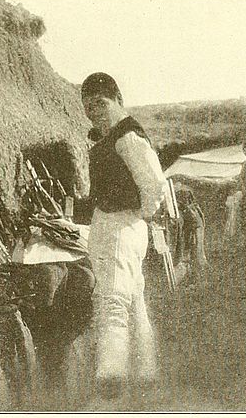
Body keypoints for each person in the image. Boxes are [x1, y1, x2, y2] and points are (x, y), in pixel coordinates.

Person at [81, 72, 167, 400]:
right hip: (117, 225)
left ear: (118, 99)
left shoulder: (126, 135)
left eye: (100, 103)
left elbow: (154, 183)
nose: (95, 112)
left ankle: (110, 381)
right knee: (133, 300)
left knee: (112, 300)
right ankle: (146, 374)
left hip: (121, 226)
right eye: (89, 108)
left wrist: (137, 212)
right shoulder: (111, 138)